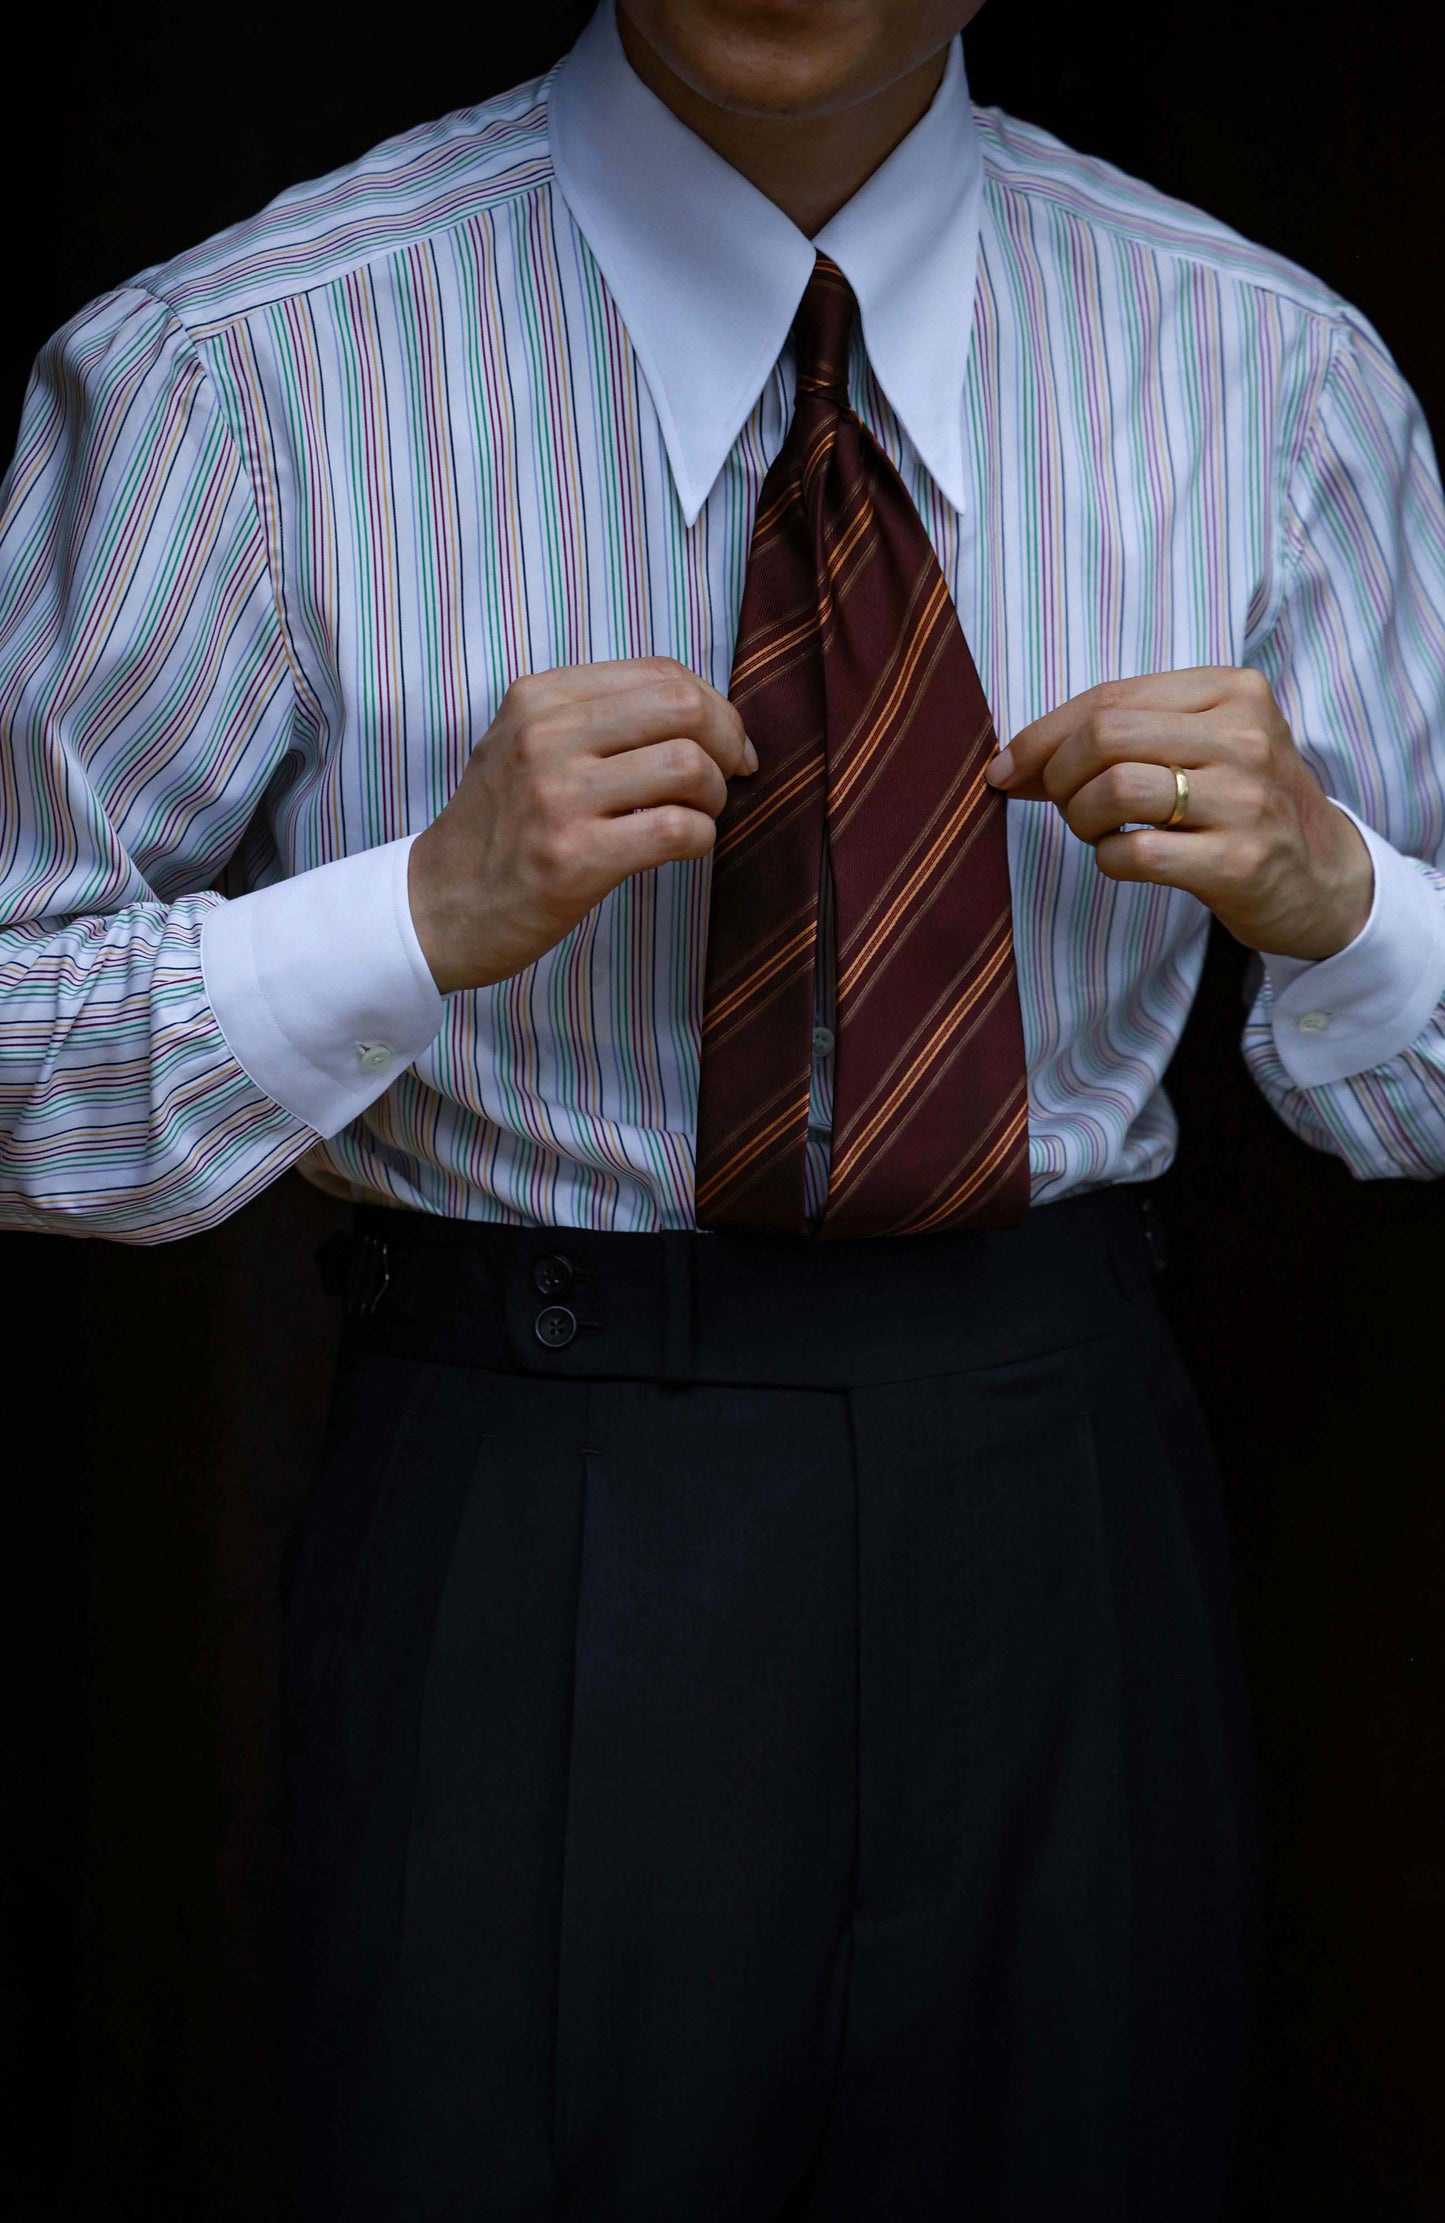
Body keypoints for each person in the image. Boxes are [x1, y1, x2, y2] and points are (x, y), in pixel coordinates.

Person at [2, 0, 1443, 2213]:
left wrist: (1341, 897)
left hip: (1062, 1503)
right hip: (525, 1506)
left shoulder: (1277, 376)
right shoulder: (243, 368)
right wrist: (411, 909)